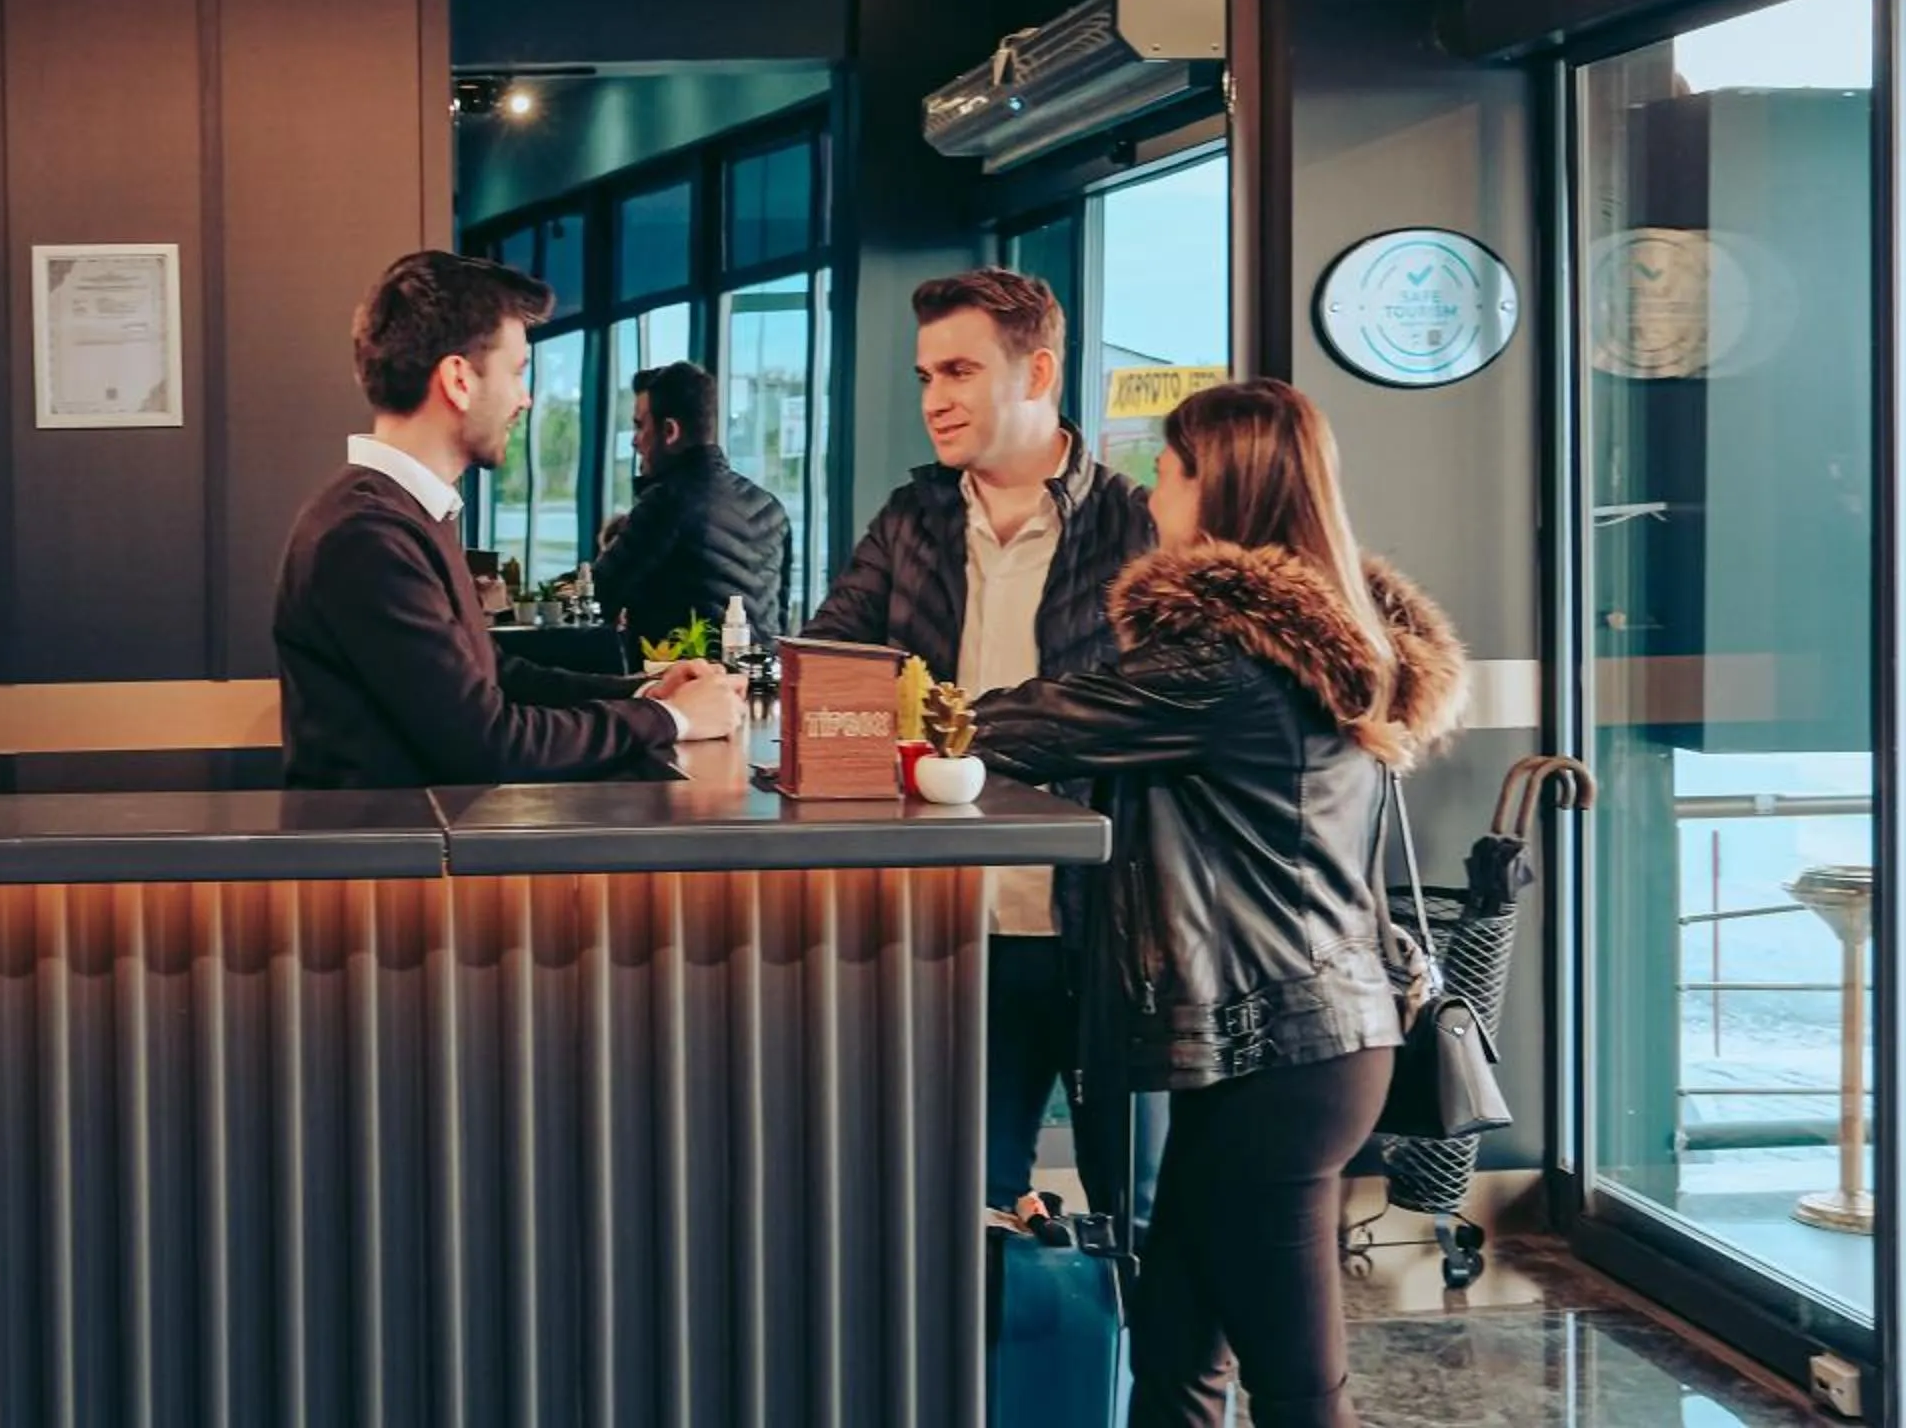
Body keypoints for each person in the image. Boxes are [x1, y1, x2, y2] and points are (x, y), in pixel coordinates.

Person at [967, 379, 1467, 1428]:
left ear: (1223, 487)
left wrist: (905, 718)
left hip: (1284, 1054)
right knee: (1179, 1347)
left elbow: (1037, 721)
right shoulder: (1314, 646)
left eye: (1170, 468)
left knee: (1294, 1379)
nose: (1153, 491)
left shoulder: (1224, 666)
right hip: (1298, 1041)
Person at [801, 268, 1158, 1222]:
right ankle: (989, 1371)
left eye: (958, 371)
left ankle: (1147, 1372)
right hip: (948, 910)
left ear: (1037, 371)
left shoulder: (1135, 525)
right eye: (925, 376)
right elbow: (831, 673)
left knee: (1139, 1207)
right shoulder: (911, 519)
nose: (935, 400)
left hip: (1104, 918)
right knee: (964, 1199)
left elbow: (1150, 711)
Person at [273, 252, 744, 789]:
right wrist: (674, 719)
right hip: (395, 863)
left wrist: (646, 692)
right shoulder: (364, 538)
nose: (525, 399)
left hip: (431, 848)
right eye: (517, 371)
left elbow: (497, 676)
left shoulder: (402, 514)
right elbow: (490, 745)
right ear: (458, 380)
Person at [591, 361, 791, 643]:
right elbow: (778, 625)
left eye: (639, 426)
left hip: (686, 680)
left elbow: (596, 593)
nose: (634, 441)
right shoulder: (772, 508)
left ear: (670, 431)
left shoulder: (666, 502)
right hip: (759, 683)